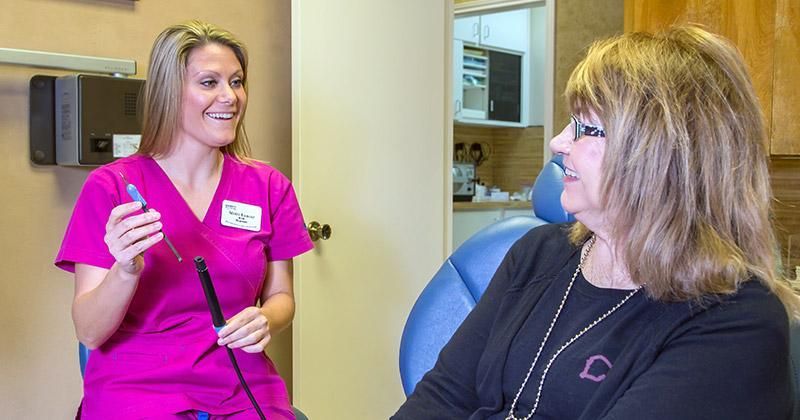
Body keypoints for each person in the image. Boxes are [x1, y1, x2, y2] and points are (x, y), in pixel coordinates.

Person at [393, 25, 800, 420]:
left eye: (585, 128)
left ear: (660, 155)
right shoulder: (537, 254)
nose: (558, 143)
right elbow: (444, 396)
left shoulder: (733, 321)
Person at [55, 20, 313, 419]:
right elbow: (89, 331)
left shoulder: (268, 186)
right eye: (209, 82)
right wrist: (124, 270)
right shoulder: (112, 187)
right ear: (169, 93)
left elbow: (282, 298)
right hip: (136, 388)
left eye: (237, 81)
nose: (230, 97)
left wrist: (264, 319)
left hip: (242, 383)